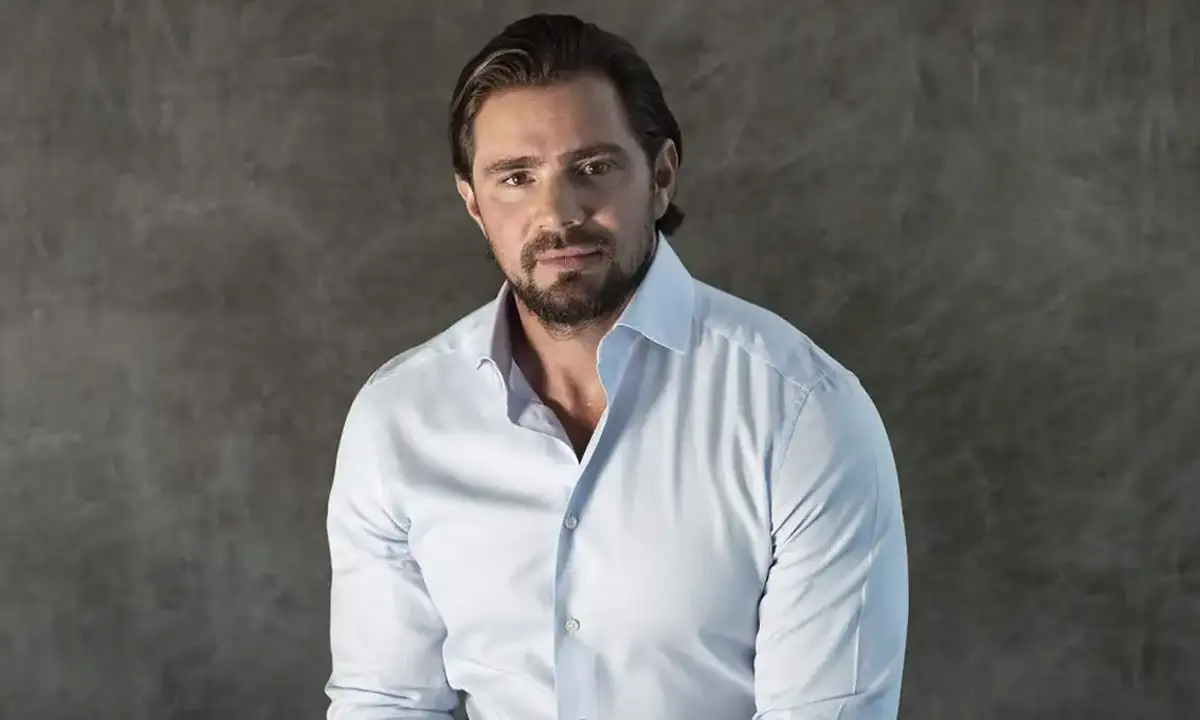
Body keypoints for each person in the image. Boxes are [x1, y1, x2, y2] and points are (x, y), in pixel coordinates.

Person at [325, 12, 908, 720]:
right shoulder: (398, 421)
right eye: (516, 177)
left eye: (593, 169)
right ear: (473, 202)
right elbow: (387, 703)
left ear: (661, 176)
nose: (556, 213)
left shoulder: (804, 413)